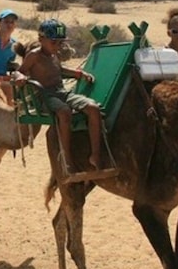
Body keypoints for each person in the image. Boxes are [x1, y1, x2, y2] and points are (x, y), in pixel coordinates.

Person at [15, 19, 117, 180]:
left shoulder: (55, 55)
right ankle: (67, 159)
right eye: (54, 42)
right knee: (64, 112)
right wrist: (20, 77)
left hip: (62, 92)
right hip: (44, 95)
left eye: (60, 42)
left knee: (93, 108)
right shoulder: (34, 56)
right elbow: (19, 71)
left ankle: (96, 155)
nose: (57, 46)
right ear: (42, 39)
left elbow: (59, 70)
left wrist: (78, 74)